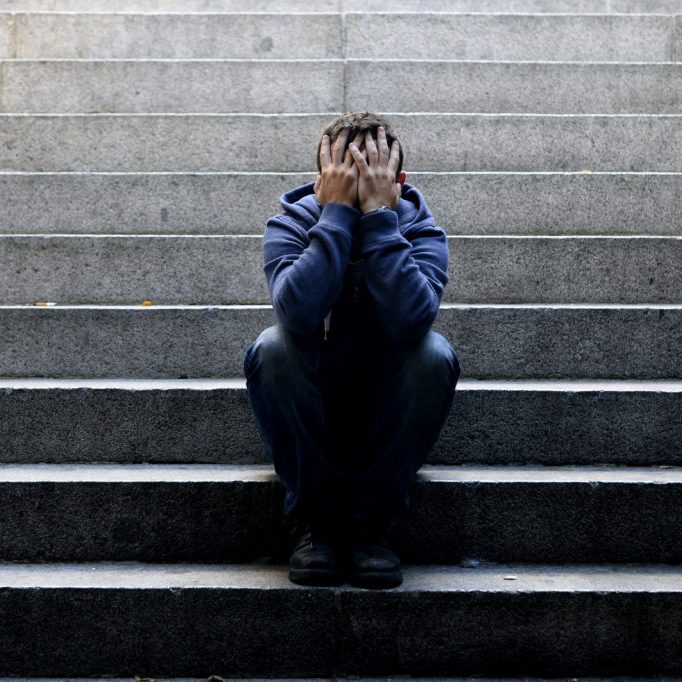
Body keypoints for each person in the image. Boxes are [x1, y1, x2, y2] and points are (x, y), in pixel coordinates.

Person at [243, 111, 460, 589]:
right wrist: (336, 214)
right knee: (273, 347)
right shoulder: (291, 223)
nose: (361, 187)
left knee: (434, 354)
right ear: (322, 180)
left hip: (385, 412)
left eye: (373, 177)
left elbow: (411, 321)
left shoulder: (421, 230)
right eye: (346, 176)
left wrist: (381, 219)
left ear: (398, 181)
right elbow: (297, 314)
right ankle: (316, 522)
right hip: (312, 412)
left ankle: (371, 523)